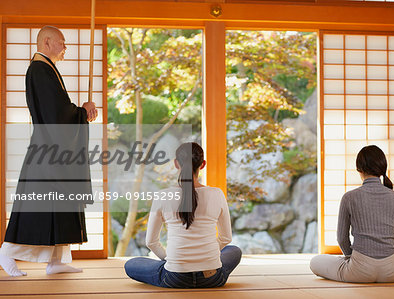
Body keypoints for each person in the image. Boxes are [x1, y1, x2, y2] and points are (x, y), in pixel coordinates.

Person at [0, 26, 98, 277]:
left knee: (60, 205)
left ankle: (56, 260)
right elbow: (57, 113)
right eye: (62, 43)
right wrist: (82, 111)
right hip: (47, 150)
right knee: (37, 205)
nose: (66, 48)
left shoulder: (45, 69)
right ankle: (7, 251)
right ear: (47, 42)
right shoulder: (40, 69)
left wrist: (79, 113)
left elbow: (58, 110)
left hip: (54, 148)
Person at [125, 142, 241, 288]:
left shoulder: (163, 196)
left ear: (176, 164)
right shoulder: (217, 194)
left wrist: (171, 260)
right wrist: (206, 256)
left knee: (131, 264)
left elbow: (151, 242)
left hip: (175, 277)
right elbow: (226, 238)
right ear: (203, 164)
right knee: (234, 250)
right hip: (212, 277)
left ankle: (174, 263)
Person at [310, 145, 394, 283]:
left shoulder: (349, 197)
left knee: (316, 261)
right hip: (392, 273)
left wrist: (352, 257)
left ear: (359, 169)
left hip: (359, 272)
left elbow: (342, 238)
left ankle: (354, 264)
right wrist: (385, 255)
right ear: (382, 168)